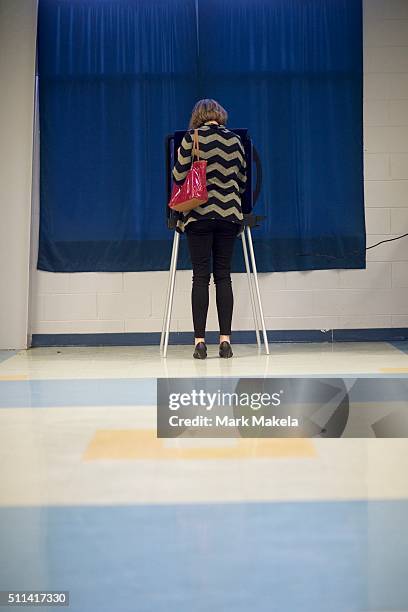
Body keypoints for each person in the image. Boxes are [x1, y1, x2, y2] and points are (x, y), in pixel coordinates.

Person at [172, 99, 247, 359]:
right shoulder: (236, 141)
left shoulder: (192, 139)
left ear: (198, 116)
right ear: (219, 115)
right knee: (223, 276)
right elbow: (243, 179)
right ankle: (225, 342)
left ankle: (200, 343)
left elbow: (179, 176)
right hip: (229, 217)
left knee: (200, 277)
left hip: (199, 215)